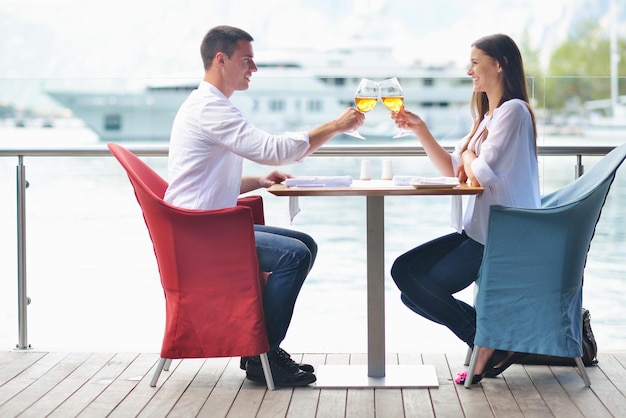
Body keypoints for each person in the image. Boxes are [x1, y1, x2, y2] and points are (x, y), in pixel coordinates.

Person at [163, 25, 364, 387]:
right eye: (247, 61)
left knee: (305, 244)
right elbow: (273, 148)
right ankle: (262, 353)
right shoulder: (210, 109)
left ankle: (261, 351)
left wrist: (257, 181)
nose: (253, 69)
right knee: (295, 256)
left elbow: (202, 182)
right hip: (202, 234)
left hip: (206, 225)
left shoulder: (209, 107)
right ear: (221, 60)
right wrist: (337, 124)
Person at [389, 33, 540, 384]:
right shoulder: (487, 118)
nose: (468, 69)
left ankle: (488, 341)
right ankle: (491, 337)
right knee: (408, 279)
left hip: (500, 237)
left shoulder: (513, 112)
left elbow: (480, 174)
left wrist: (471, 158)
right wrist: (420, 129)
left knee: (413, 283)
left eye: (475, 61)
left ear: (498, 64)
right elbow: (453, 167)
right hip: (477, 230)